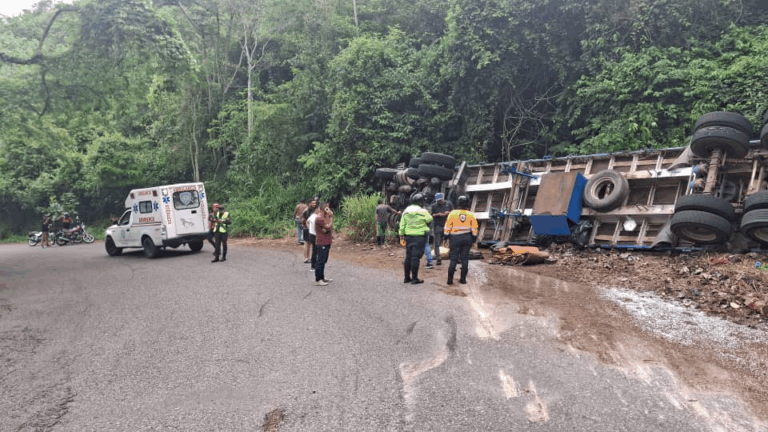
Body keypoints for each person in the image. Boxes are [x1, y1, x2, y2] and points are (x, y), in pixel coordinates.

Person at [398, 193, 433, 285]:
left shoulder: (406, 211)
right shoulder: (423, 211)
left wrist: (401, 235)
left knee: (408, 257)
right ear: (420, 202)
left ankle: (406, 278)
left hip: (408, 236)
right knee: (415, 258)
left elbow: (402, 224)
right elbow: (430, 220)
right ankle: (414, 279)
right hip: (419, 237)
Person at [444, 196, 478, 285]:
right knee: (464, 258)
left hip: (455, 238)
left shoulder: (452, 213)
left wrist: (445, 237)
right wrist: (474, 238)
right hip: (467, 238)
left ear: (458, 203)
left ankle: (449, 280)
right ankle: (463, 279)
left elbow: (447, 226)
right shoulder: (471, 214)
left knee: (453, 258)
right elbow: (474, 228)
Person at [313, 202, 334, 286]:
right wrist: (331, 218)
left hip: (327, 241)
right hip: (322, 242)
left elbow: (330, 227)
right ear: (323, 208)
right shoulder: (320, 218)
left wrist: (329, 226)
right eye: (326, 207)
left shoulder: (325, 216)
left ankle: (322, 277)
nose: (328, 209)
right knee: (320, 261)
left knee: (324, 260)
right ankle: (318, 279)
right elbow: (328, 227)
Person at [430, 193, 453, 266]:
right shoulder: (434, 205)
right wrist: (438, 214)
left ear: (443, 198)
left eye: (440, 200)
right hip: (438, 225)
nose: (439, 202)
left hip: (448, 225)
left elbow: (453, 212)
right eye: (438, 201)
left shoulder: (449, 204)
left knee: (451, 242)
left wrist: (448, 213)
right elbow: (431, 215)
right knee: (437, 243)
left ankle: (452, 256)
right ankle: (438, 258)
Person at [301, 198, 318, 263]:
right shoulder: (307, 211)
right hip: (307, 228)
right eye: (313, 203)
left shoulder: (312, 210)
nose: (314, 204)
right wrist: (307, 227)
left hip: (310, 229)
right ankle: (305, 258)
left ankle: (308, 257)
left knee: (309, 243)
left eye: (315, 203)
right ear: (309, 203)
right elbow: (303, 220)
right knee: (306, 243)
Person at [307, 206, 322, 271]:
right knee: (315, 250)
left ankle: (314, 265)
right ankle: (314, 266)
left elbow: (307, 222)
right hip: (315, 235)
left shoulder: (313, 216)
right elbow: (316, 226)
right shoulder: (315, 217)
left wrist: (310, 229)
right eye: (319, 209)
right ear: (316, 209)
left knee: (315, 250)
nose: (319, 210)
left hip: (312, 234)